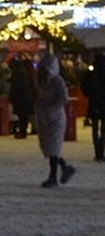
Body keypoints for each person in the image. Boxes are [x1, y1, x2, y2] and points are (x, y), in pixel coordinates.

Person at [35, 52, 75, 188]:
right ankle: (65, 167)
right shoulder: (42, 82)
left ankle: (53, 176)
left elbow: (63, 98)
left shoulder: (57, 81)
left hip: (55, 118)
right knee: (49, 147)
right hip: (45, 118)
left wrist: (52, 108)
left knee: (53, 147)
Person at [83, 50, 105, 163]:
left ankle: (98, 152)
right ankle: (102, 151)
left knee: (95, 129)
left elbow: (84, 88)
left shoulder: (90, 74)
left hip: (94, 104)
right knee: (103, 130)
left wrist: (91, 94)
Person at [8, 55, 35, 137]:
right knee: (24, 115)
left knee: (22, 115)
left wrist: (11, 96)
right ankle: (23, 130)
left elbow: (16, 86)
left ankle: (22, 131)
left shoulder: (17, 72)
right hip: (25, 96)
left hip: (20, 98)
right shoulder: (23, 71)